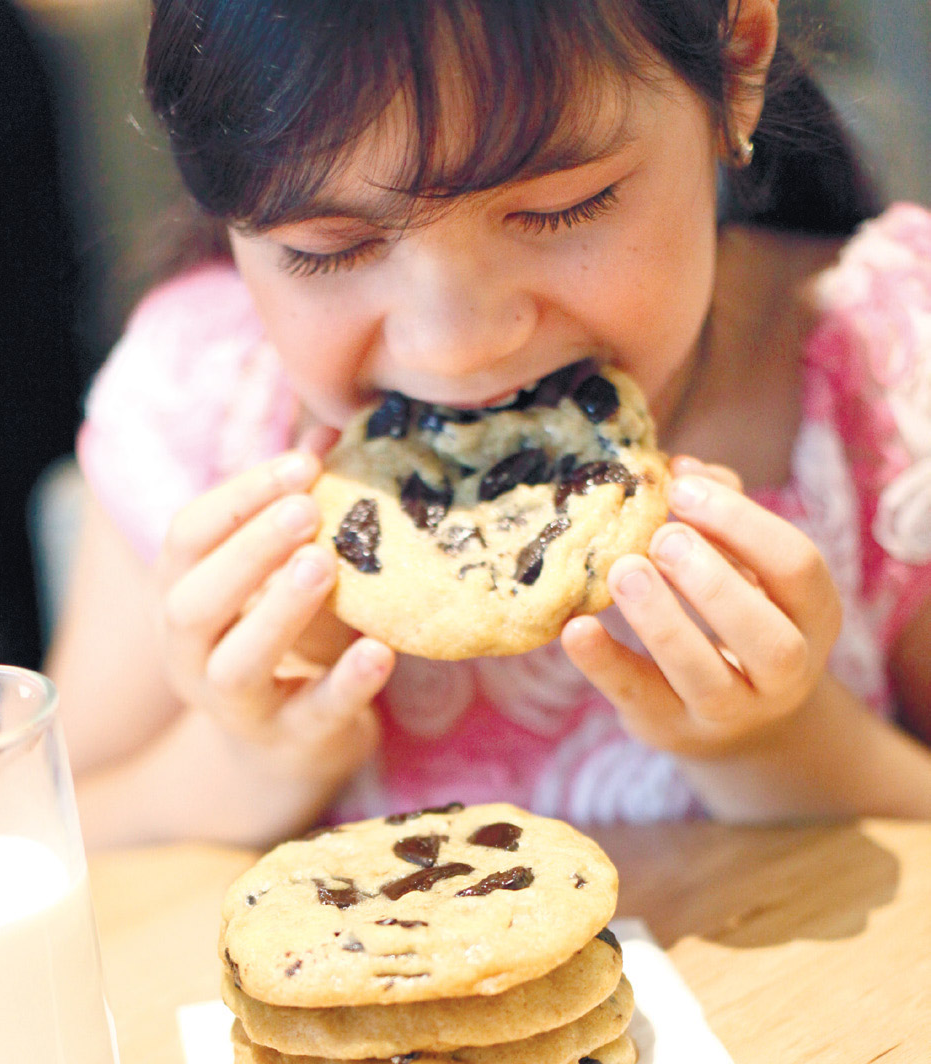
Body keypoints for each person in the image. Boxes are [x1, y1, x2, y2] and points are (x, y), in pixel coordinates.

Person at [47, 0, 931, 850]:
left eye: (559, 207)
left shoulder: (889, 369)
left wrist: (780, 743)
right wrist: (244, 761)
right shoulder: (200, 406)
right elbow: (38, 829)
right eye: (329, 248)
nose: (455, 346)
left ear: (734, 63)